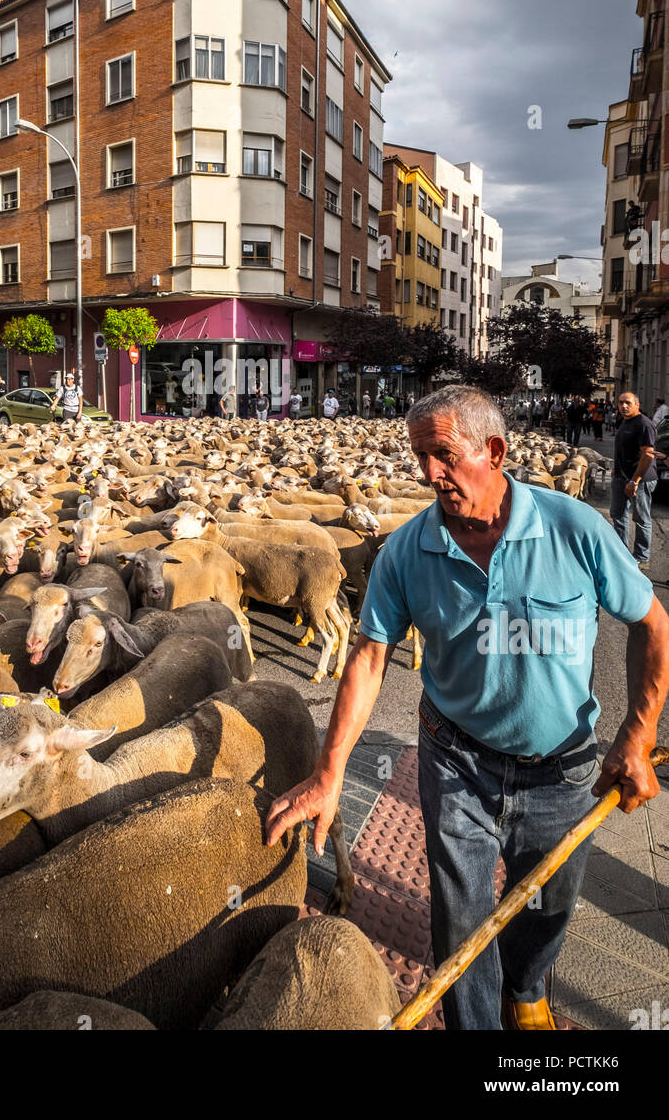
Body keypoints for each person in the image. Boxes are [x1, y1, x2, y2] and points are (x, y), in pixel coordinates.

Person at [266, 384, 669, 1031]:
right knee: (458, 916)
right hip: (456, 763)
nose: (429, 472)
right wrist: (329, 772)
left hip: (562, 770)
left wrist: (638, 731)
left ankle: (528, 987)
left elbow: (653, 623)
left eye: (444, 454)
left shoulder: (574, 529)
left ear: (496, 451)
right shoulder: (404, 551)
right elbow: (369, 658)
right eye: (420, 457)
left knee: (547, 906)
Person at [611, 391, 658, 572]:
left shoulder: (644, 424)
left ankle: (641, 557)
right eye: (621, 402)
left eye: (628, 403)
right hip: (621, 477)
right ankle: (622, 554)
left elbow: (647, 454)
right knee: (618, 515)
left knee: (641, 518)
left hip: (640, 480)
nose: (623, 406)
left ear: (637, 405)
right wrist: (617, 468)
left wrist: (635, 480)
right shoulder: (625, 421)